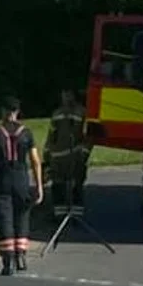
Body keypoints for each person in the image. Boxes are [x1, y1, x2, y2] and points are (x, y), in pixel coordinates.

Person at [0, 95, 44, 276]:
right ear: (17, 112)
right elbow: (35, 161)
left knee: (4, 218)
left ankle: (8, 262)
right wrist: (39, 186)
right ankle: (21, 255)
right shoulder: (26, 133)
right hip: (21, 179)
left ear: (2, 111)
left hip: (2, 180)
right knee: (22, 215)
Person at [43, 89, 91, 219]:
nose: (65, 97)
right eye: (63, 94)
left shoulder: (83, 113)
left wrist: (84, 154)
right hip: (58, 158)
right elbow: (51, 136)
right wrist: (47, 157)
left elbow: (88, 137)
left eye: (68, 94)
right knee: (58, 186)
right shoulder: (57, 114)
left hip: (76, 157)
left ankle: (77, 216)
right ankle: (60, 215)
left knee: (77, 186)